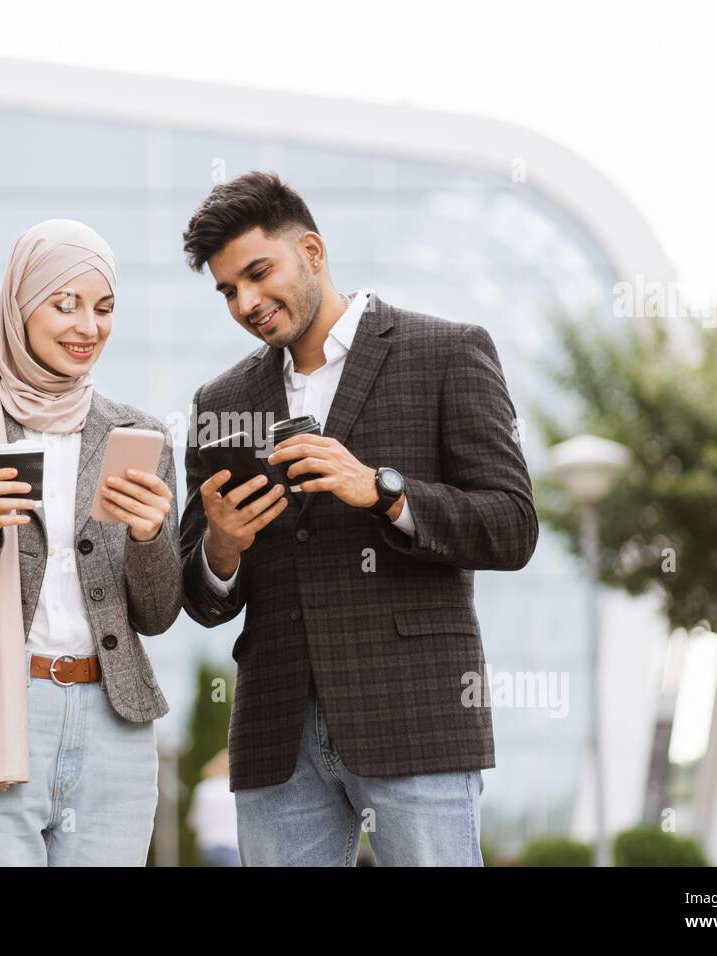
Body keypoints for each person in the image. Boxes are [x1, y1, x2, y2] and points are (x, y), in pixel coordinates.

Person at [178, 171, 538, 866]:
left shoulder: (446, 352)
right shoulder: (221, 400)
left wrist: (383, 491)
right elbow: (202, 596)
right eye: (228, 290)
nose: (247, 302)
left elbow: (513, 525)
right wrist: (220, 549)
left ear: (311, 251)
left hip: (415, 717)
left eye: (258, 273)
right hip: (276, 733)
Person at [0, 219, 182, 866]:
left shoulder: (139, 436)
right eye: (66, 304)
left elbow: (159, 614)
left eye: (104, 308)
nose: (88, 327)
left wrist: (149, 536)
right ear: (20, 307)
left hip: (114, 730)